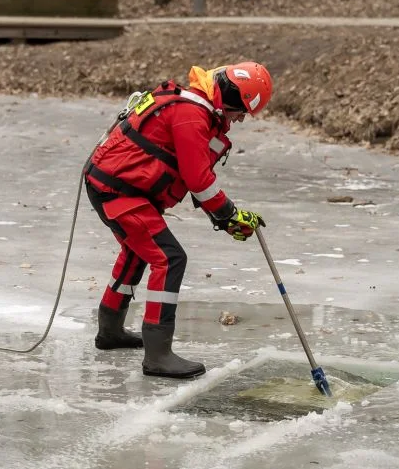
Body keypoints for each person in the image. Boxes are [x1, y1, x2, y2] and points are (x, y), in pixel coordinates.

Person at [84, 62, 273, 379]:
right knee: (169, 259)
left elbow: (193, 174)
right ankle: (158, 355)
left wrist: (225, 218)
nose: (241, 119)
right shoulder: (191, 115)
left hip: (116, 185)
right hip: (118, 191)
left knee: (137, 252)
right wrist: (229, 214)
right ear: (232, 100)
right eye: (242, 112)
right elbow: (198, 180)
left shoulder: (195, 107)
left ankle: (110, 331)